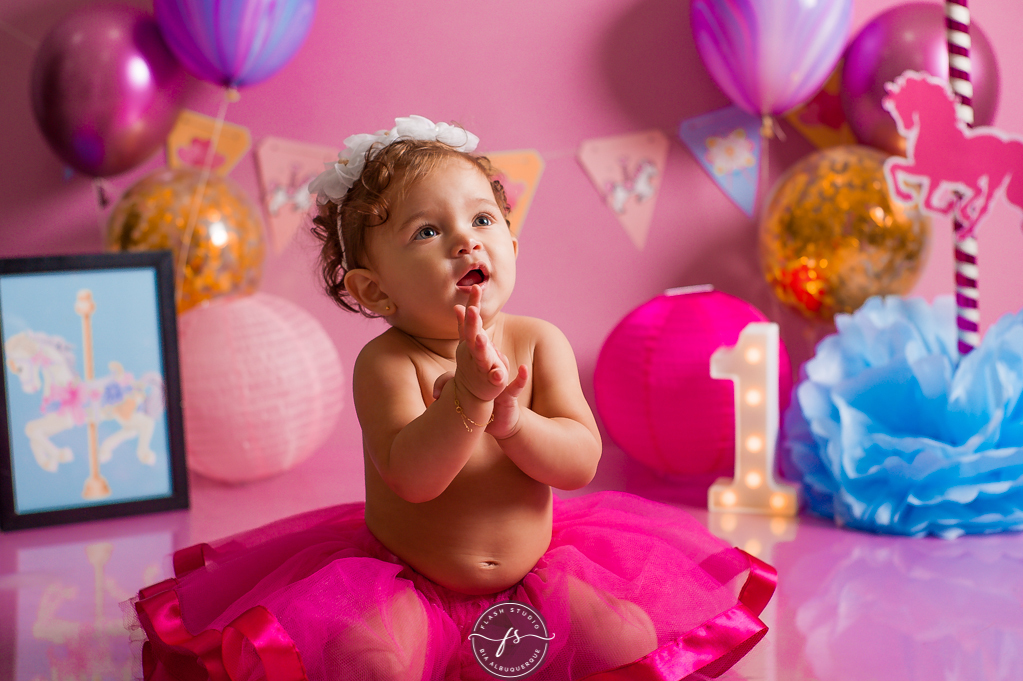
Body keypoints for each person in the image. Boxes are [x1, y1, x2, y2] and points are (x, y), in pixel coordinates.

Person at [125, 116, 775, 681]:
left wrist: (515, 422)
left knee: (626, 638)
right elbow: (411, 477)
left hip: (542, 570)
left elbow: (578, 461)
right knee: (371, 661)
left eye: (482, 218)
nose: (466, 239)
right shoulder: (387, 362)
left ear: (512, 247)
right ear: (376, 292)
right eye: (427, 232)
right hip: (409, 576)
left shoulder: (537, 341)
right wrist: (465, 399)